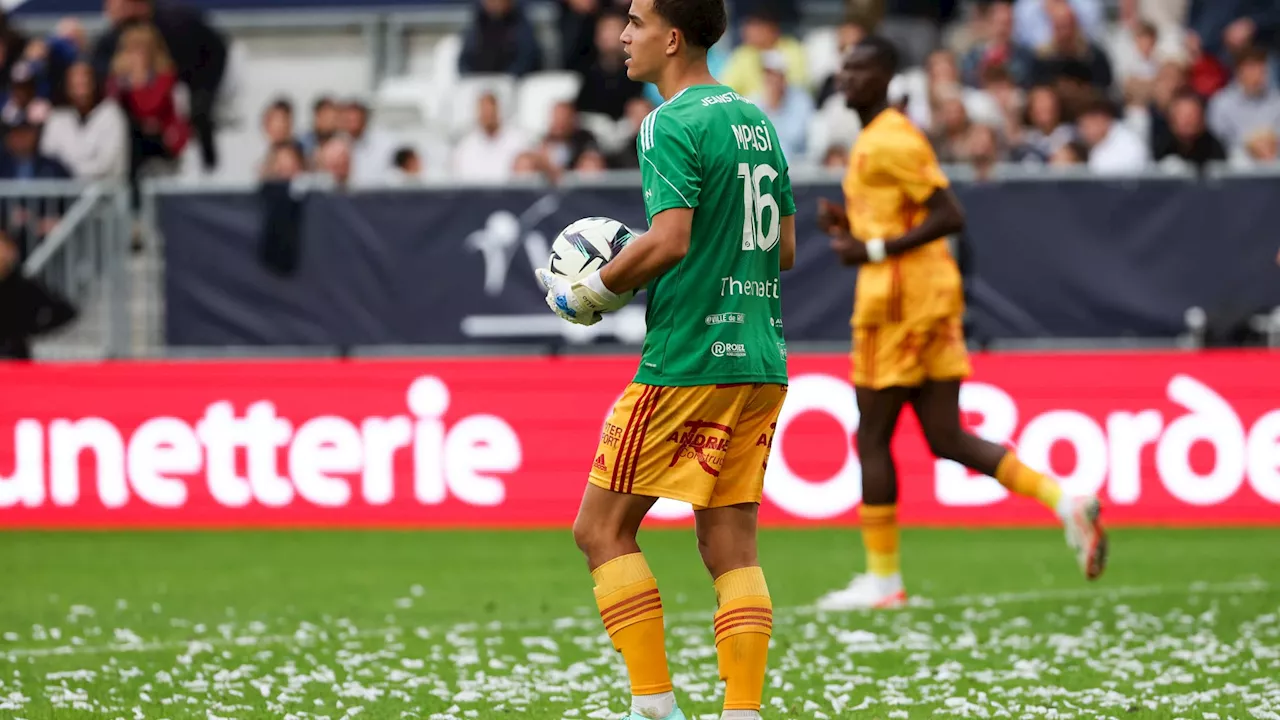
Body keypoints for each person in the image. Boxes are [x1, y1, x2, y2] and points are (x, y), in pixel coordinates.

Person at [533, 0, 796, 716]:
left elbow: (671, 238)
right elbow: (787, 250)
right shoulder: (758, 123)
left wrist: (595, 287)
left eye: (637, 21)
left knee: (601, 529)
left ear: (672, 37)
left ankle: (654, 709)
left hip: (688, 358)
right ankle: (739, 712)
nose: (623, 35)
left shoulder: (669, 122)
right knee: (731, 548)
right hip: (761, 359)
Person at [813, 35, 1107, 612]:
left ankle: (883, 582)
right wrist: (852, 225)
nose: (845, 78)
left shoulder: (890, 137)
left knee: (871, 434)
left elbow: (950, 214)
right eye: (843, 69)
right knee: (944, 437)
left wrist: (870, 252)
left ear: (886, 78)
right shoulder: (880, 138)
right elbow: (907, 214)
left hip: (897, 305)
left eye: (858, 69)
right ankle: (1064, 499)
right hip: (926, 299)